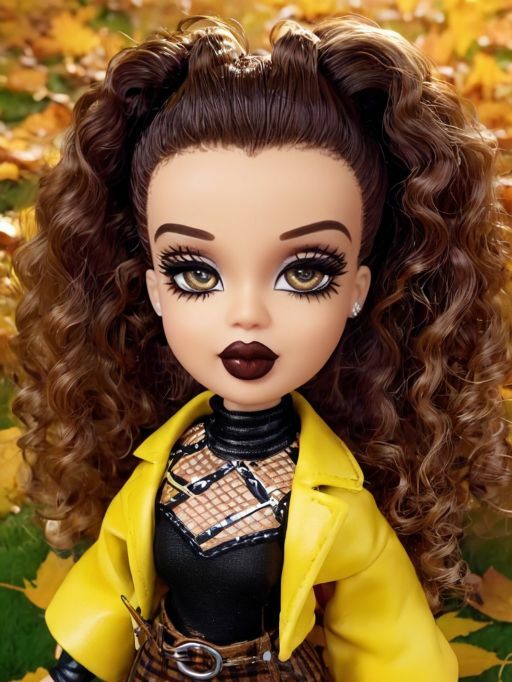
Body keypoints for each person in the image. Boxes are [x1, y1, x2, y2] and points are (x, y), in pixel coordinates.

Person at [10, 12, 512, 682]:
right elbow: (113, 577)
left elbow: (384, 634)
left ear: (357, 289)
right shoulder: (161, 466)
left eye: (305, 273)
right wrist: (78, 668)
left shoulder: (334, 504)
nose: (247, 316)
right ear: (154, 287)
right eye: (196, 273)